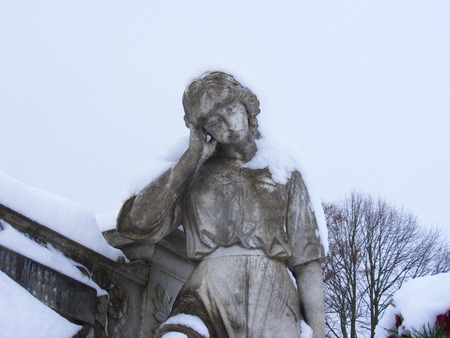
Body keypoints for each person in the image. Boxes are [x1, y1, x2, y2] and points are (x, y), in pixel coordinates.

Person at [117, 71, 326, 337]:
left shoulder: (283, 171)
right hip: (207, 295)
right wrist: (189, 161)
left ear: (247, 107)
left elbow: (307, 259)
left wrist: (317, 329)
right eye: (214, 120)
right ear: (202, 129)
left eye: (231, 109)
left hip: (274, 293)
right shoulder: (192, 172)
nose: (228, 124)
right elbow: (136, 225)